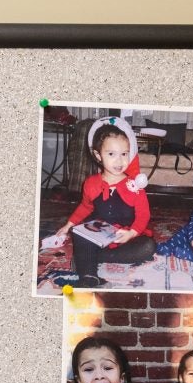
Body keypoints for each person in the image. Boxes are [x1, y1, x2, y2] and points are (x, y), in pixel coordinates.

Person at [52, 117, 156, 288]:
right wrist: (68, 225)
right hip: (98, 234)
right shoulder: (91, 183)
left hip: (124, 236)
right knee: (79, 233)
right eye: (111, 154)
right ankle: (89, 276)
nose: (119, 161)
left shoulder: (135, 186)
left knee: (148, 246)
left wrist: (131, 233)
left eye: (124, 154)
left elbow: (143, 215)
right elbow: (85, 207)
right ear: (98, 155)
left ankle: (90, 257)